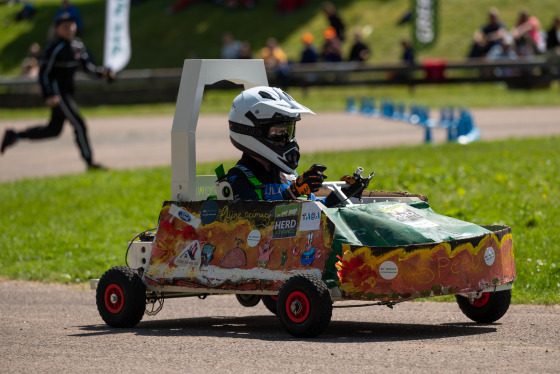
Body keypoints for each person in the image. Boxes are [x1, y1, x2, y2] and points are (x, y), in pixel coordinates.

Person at [1, 12, 114, 170]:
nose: (69, 28)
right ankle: (90, 162)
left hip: (67, 92)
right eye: (64, 26)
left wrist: (103, 73)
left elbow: (88, 69)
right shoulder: (55, 48)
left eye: (71, 25)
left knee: (53, 130)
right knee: (79, 125)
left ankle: (15, 135)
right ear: (57, 29)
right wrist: (48, 95)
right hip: (58, 93)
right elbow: (44, 73)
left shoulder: (78, 46)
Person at [225, 86, 369, 207]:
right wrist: (292, 193)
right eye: (277, 132)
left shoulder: (288, 176)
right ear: (250, 131)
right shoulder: (237, 177)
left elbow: (317, 213)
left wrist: (344, 194)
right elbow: (255, 221)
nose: (286, 140)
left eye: (288, 131)